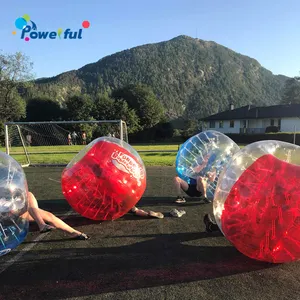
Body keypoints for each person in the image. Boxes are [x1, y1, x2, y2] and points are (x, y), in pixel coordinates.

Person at [22, 192, 90, 240]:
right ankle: (41, 224)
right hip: (12, 215)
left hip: (17, 209)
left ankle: (73, 233)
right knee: (28, 194)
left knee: (49, 216)